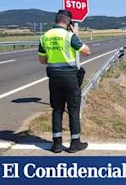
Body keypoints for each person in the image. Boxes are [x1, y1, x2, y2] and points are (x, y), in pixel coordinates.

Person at [38, 10, 91, 153]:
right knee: (73, 109)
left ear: (56, 20)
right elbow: (87, 52)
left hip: (54, 78)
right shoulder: (69, 36)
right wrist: (76, 36)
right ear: (68, 22)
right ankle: (75, 143)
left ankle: (56, 144)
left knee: (57, 109)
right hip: (70, 77)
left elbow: (42, 60)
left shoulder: (45, 36)